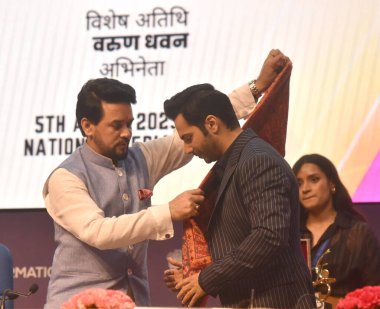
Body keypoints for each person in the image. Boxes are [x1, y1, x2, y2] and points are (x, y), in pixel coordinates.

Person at [42, 49, 285, 309]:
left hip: (131, 302)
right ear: (87, 126)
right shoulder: (65, 178)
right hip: (75, 304)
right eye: (116, 125)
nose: (127, 133)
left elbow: (199, 124)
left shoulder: (140, 158)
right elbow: (99, 232)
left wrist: (256, 87)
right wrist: (167, 212)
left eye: (130, 124)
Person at [163, 75, 315, 307]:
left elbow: (269, 236)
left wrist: (206, 279)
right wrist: (195, 272)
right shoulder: (237, 160)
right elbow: (242, 241)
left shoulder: (257, 160)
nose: (187, 148)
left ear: (212, 124)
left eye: (188, 138)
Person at [292, 154, 380, 304]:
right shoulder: (289, 233)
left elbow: (375, 293)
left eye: (314, 180)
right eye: (299, 183)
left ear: (332, 184)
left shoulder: (358, 233)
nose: (305, 189)